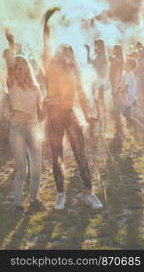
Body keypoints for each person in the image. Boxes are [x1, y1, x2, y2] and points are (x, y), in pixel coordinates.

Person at [45, 44, 103, 210]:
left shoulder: (74, 71)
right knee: (57, 156)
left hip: (70, 114)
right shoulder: (51, 69)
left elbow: (81, 93)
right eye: (64, 54)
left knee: (81, 154)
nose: (67, 57)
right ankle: (60, 195)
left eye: (69, 54)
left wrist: (87, 115)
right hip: (54, 117)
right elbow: (49, 97)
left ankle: (89, 193)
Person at [4, 29, 44, 216]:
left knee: (36, 169)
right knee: (22, 169)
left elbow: (40, 110)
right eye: (17, 67)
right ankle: (18, 204)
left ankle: (34, 200)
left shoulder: (35, 87)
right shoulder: (11, 83)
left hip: (34, 128)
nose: (20, 70)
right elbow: (9, 65)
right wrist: (11, 45)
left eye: (23, 66)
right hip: (18, 128)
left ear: (28, 67)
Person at [85, 40, 108, 132]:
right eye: (95, 46)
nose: (96, 48)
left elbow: (102, 73)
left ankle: (102, 126)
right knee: (97, 104)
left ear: (101, 47)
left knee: (100, 104)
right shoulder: (97, 56)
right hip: (95, 82)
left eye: (97, 46)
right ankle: (100, 125)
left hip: (99, 83)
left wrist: (98, 83)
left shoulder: (103, 58)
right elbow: (89, 62)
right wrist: (88, 51)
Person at [109, 45, 125, 136]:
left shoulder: (119, 60)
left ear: (118, 51)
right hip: (114, 85)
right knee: (116, 108)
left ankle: (120, 130)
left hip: (116, 85)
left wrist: (115, 87)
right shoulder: (118, 60)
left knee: (117, 108)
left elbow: (118, 74)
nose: (113, 50)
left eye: (114, 49)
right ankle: (119, 129)